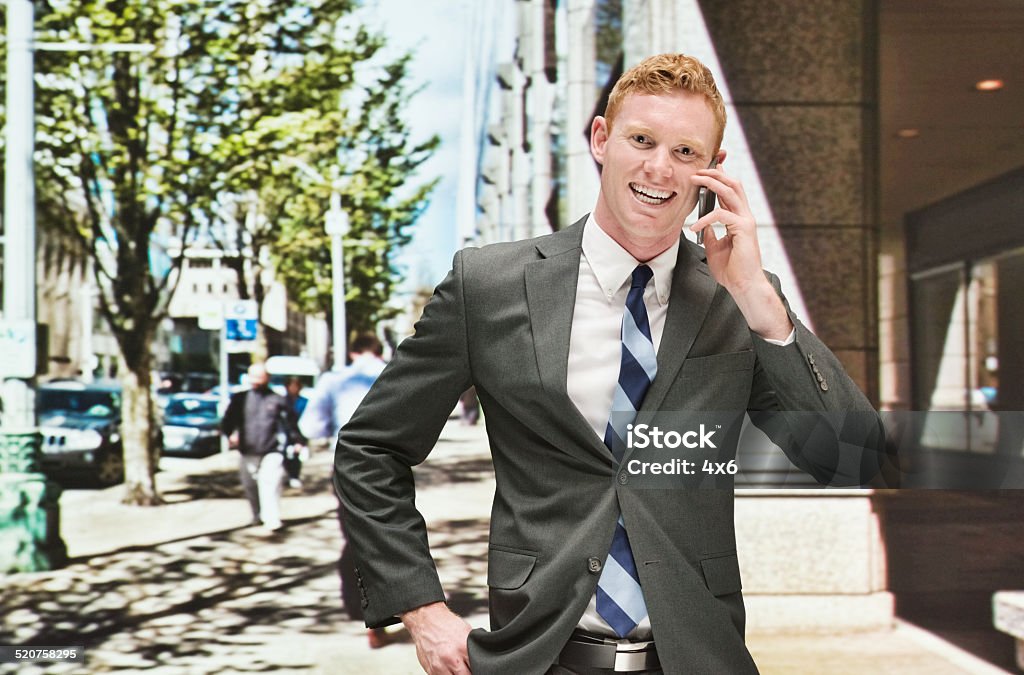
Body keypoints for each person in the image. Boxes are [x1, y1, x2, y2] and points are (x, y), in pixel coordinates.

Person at [333, 53, 888, 674]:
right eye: (642, 140)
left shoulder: (740, 298)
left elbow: (851, 458)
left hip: (698, 658)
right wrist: (422, 609)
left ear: (713, 169)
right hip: (540, 657)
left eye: (685, 151)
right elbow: (370, 449)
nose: (659, 168)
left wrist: (762, 305)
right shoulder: (489, 285)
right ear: (602, 139)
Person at [298, 334, 390, 648]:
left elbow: (309, 427)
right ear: (379, 351)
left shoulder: (333, 380)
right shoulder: (396, 373)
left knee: (357, 541)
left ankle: (367, 613)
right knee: (389, 539)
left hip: (347, 466)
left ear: (352, 352)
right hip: (391, 468)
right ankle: (384, 613)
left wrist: (334, 430)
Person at [221, 362, 302, 534]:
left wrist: (297, 441)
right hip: (247, 449)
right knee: (250, 485)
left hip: (272, 450)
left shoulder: (277, 400)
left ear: (267, 378)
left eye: (260, 377)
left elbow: (290, 423)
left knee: (270, 483)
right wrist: (229, 435)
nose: (256, 380)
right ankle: (257, 515)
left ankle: (271, 518)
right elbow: (228, 420)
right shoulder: (240, 398)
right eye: (253, 376)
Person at [283, 376, 310, 488]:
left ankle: (294, 476)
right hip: (286, 432)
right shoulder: (282, 401)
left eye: (296, 386)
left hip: (300, 432)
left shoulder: (304, 402)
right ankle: (287, 475)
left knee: (296, 456)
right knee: (285, 455)